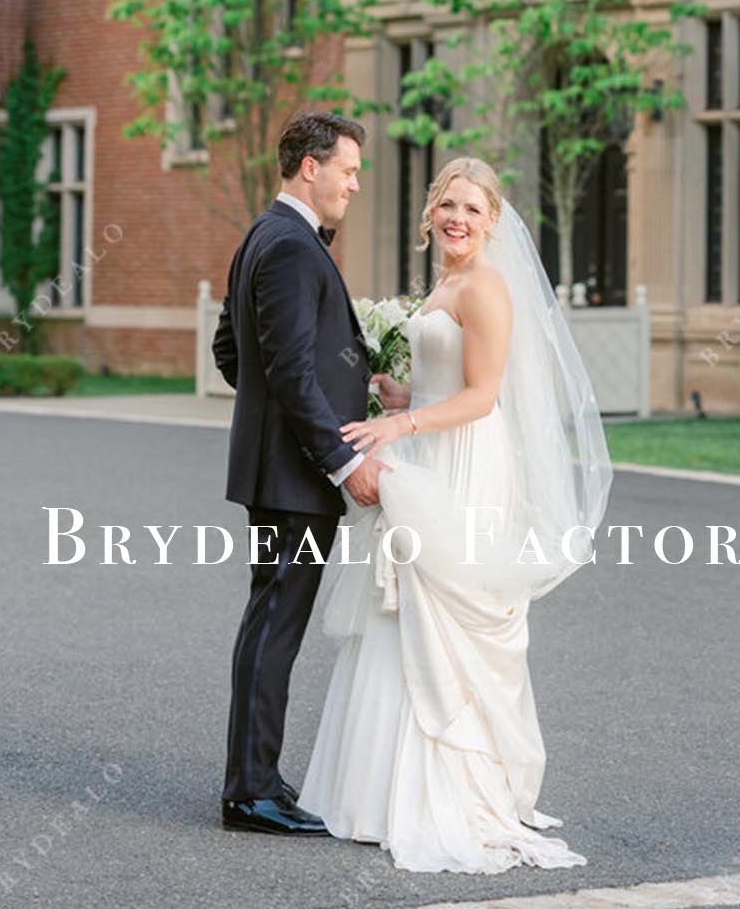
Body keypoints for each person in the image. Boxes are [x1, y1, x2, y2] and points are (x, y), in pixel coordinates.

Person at [297, 155, 613, 873]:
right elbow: (446, 381)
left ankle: (452, 791)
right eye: (447, 205)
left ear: (493, 221)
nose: (457, 219)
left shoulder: (488, 287)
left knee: (445, 612)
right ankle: (369, 795)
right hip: (431, 448)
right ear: (429, 213)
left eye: (472, 209)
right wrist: (401, 396)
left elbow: (483, 396)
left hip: (466, 463)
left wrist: (401, 430)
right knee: (400, 609)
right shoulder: (445, 282)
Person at [212, 110, 389, 837]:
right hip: (293, 479)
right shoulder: (288, 245)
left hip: (278, 470)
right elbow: (283, 367)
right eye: (348, 169)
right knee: (275, 626)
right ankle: (250, 792)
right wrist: (343, 457)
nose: (354, 183)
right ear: (309, 167)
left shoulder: (266, 234)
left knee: (270, 624)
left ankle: (257, 780)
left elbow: (234, 353)